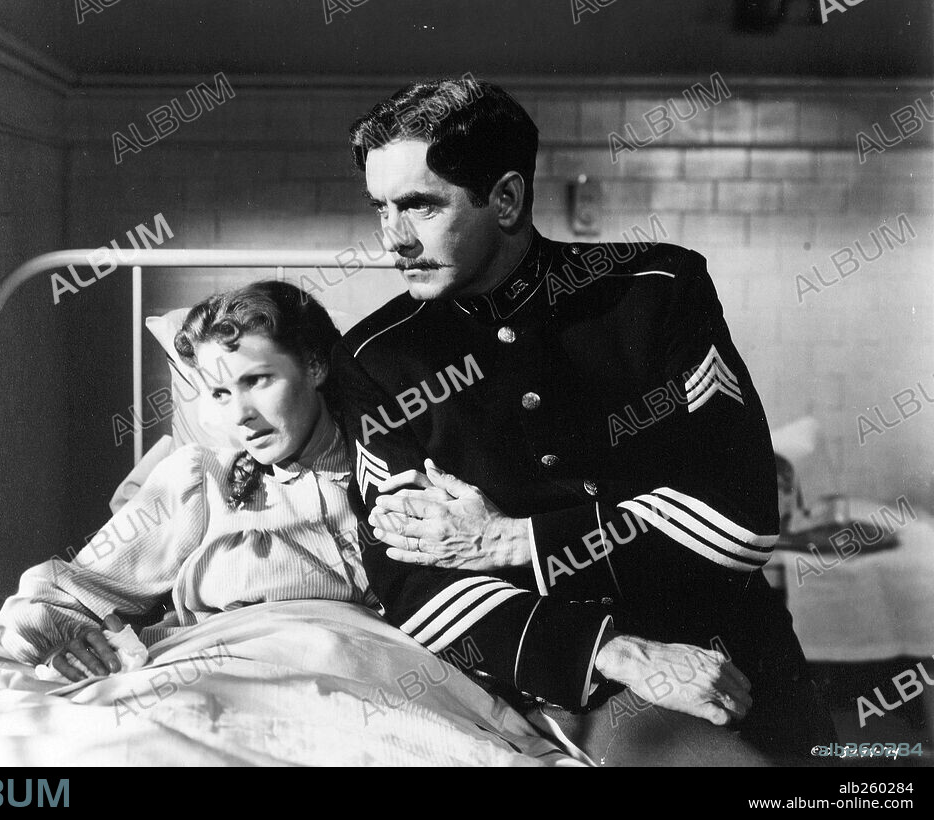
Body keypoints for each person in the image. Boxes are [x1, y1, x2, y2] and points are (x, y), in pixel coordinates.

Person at [330, 77, 833, 763]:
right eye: (380, 209)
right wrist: (611, 651)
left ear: (505, 198)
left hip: (745, 650)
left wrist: (510, 540)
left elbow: (740, 518)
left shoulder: (657, 292)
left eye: (418, 207)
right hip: (573, 674)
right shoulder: (378, 357)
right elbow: (413, 583)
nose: (394, 240)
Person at [0, 281, 378, 681]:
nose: (240, 414)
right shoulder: (200, 480)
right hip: (214, 681)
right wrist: (70, 638)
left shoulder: (391, 474)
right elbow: (47, 598)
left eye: (257, 380)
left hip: (363, 681)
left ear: (314, 366)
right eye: (220, 393)